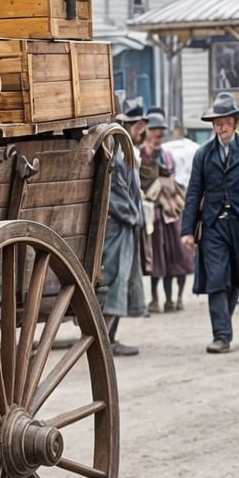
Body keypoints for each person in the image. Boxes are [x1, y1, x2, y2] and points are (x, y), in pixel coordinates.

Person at [181, 91, 239, 354]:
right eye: (216, 123)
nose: (221, 128)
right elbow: (193, 193)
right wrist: (187, 230)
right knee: (217, 279)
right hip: (213, 226)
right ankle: (221, 336)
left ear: (234, 123)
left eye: (225, 123)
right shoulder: (203, 154)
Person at [100, 99, 148, 356]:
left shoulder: (123, 154)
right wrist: (134, 217)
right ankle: (103, 342)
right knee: (115, 282)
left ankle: (110, 338)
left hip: (124, 226)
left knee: (122, 280)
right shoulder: (115, 156)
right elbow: (117, 196)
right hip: (117, 229)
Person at [140, 111, 190, 313]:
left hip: (171, 210)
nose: (158, 134)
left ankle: (175, 298)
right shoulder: (142, 153)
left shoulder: (167, 154)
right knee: (156, 258)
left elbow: (172, 177)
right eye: (154, 130)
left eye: (160, 130)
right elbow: (143, 180)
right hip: (155, 212)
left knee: (179, 256)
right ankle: (155, 299)